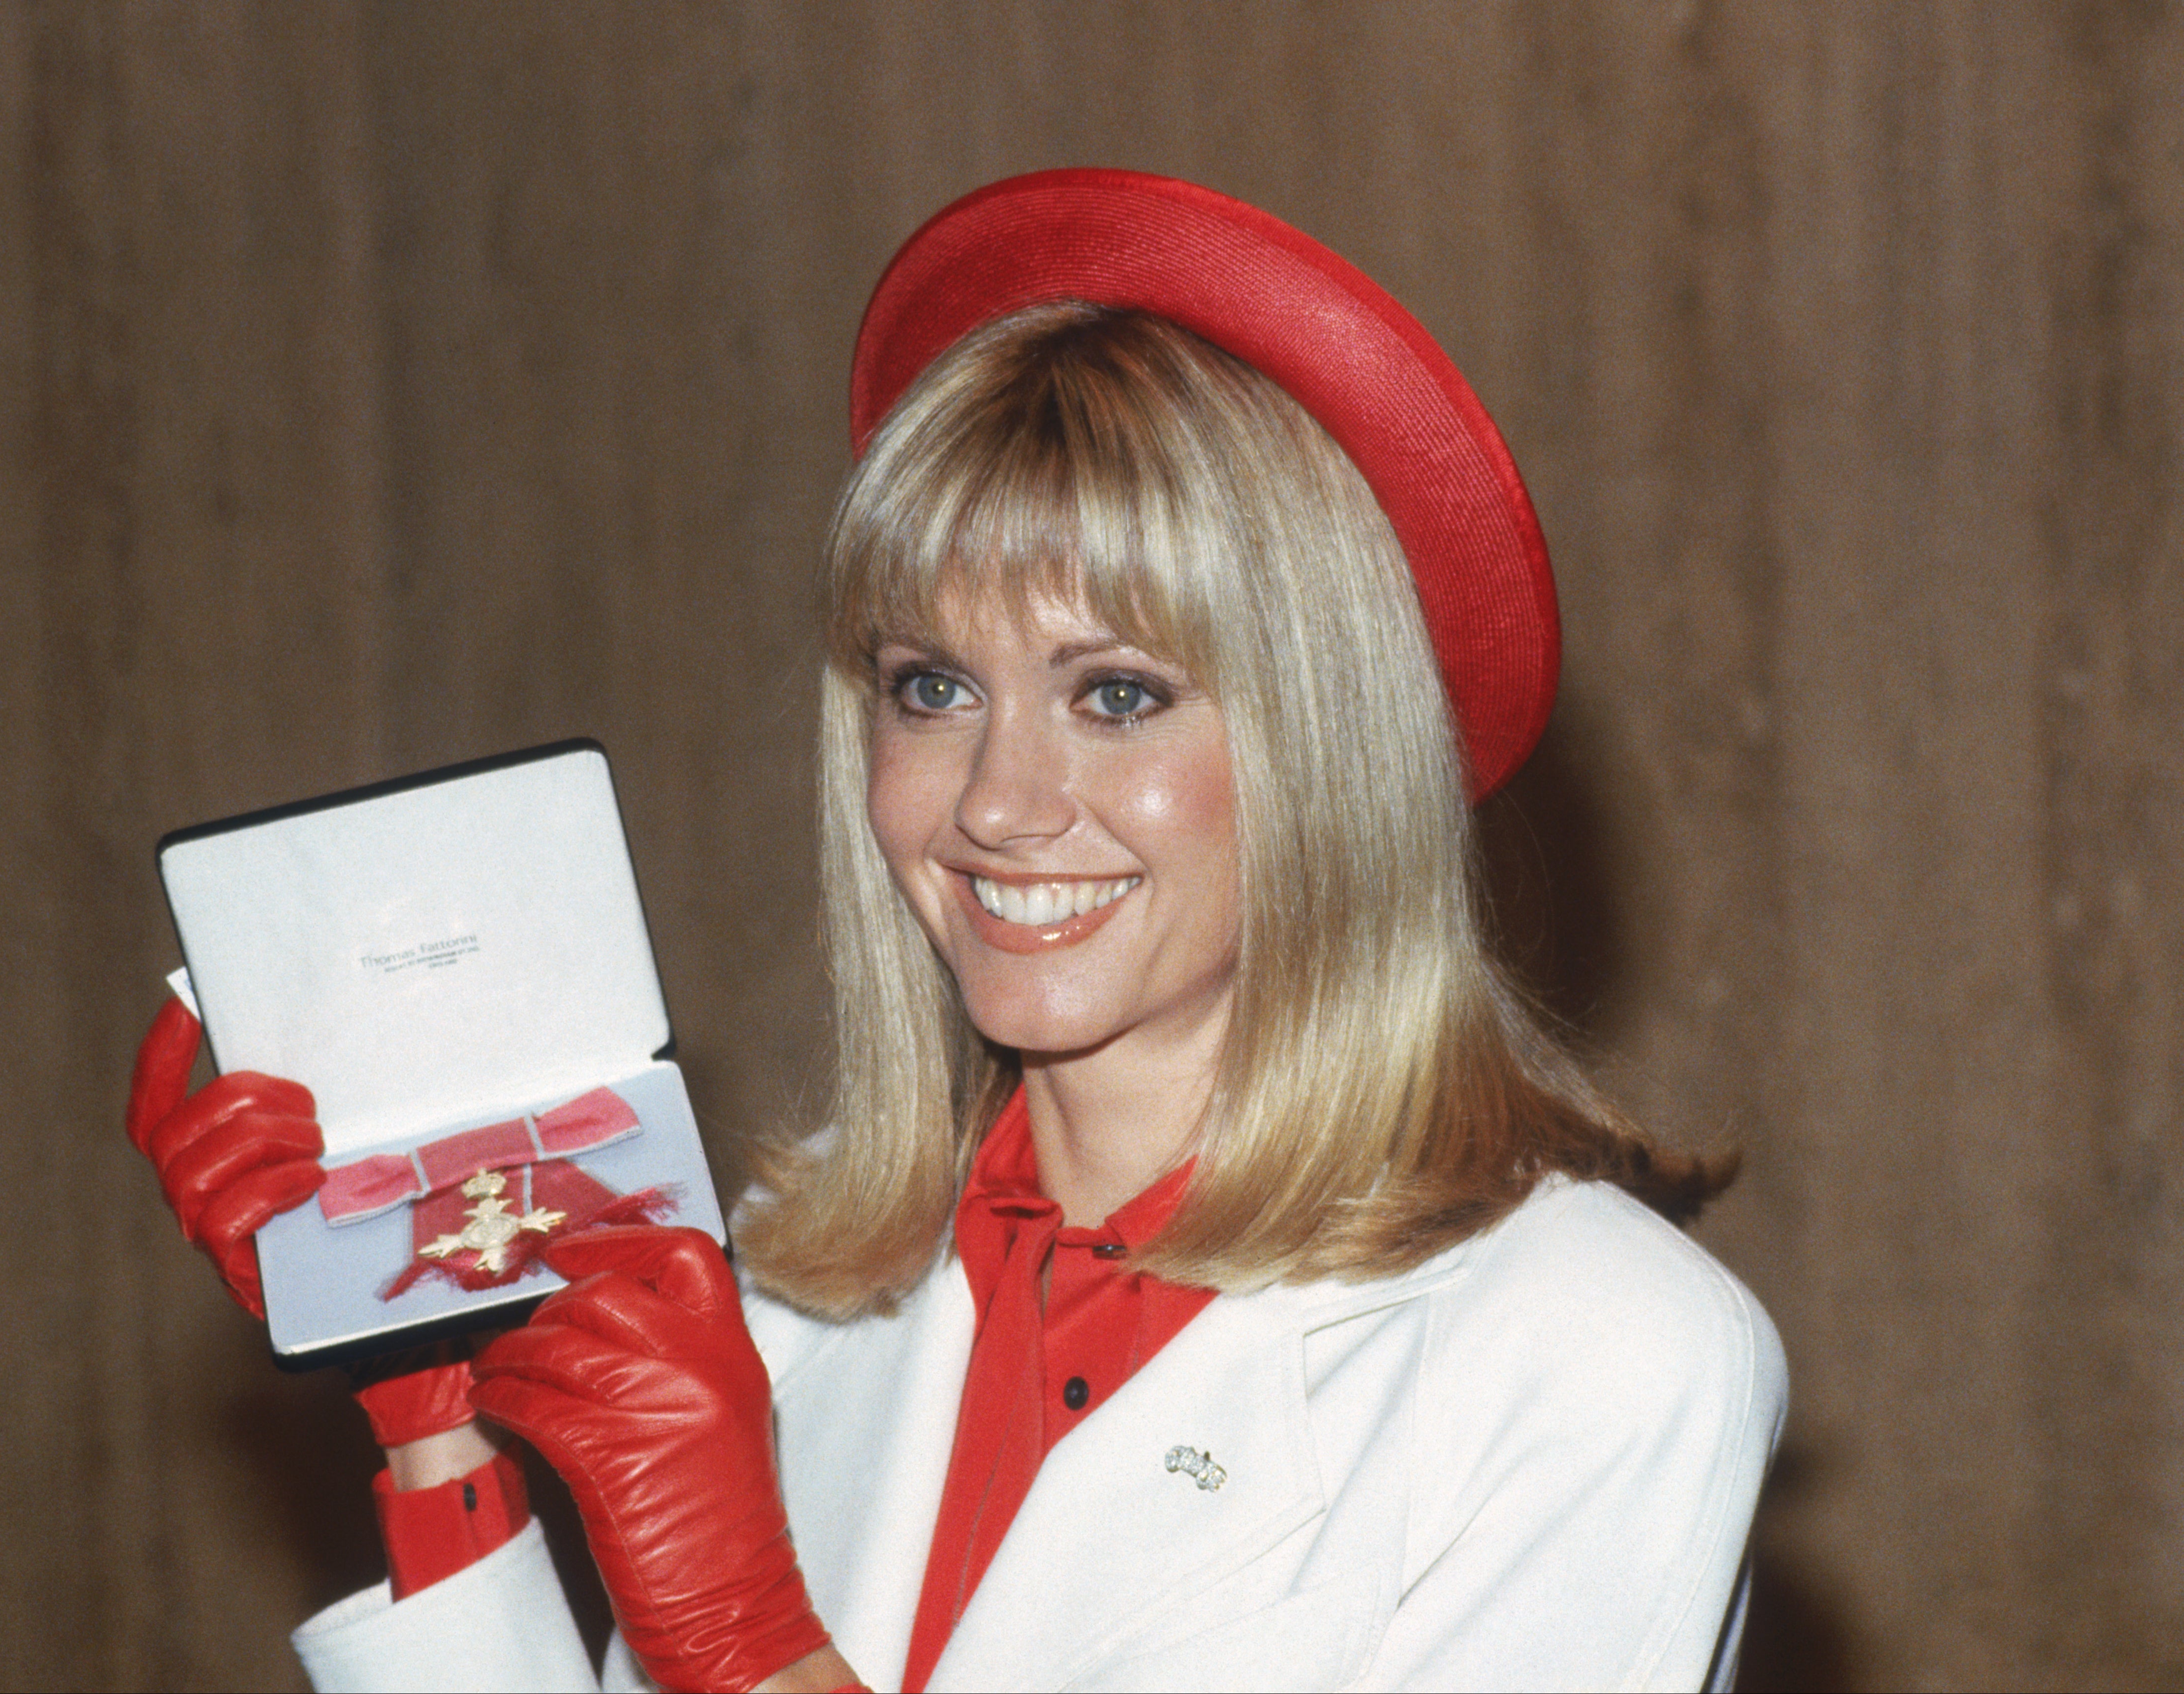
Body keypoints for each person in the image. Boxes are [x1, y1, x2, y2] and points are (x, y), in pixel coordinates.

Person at [126, 170, 1785, 1693]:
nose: (997, 801)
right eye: (934, 687)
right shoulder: (791, 1276)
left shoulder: (1604, 1357)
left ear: (1329, 752)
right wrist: (432, 1410)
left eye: (1116, 693)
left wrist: (749, 1639)